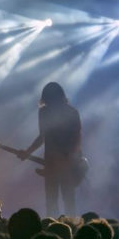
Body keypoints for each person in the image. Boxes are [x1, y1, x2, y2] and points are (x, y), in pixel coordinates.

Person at [18, 82, 82, 218]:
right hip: (58, 163)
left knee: (56, 201)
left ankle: (56, 226)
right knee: (64, 202)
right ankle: (69, 227)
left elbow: (43, 137)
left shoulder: (47, 112)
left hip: (61, 163)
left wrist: (28, 152)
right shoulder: (68, 112)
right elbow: (44, 136)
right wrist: (28, 152)